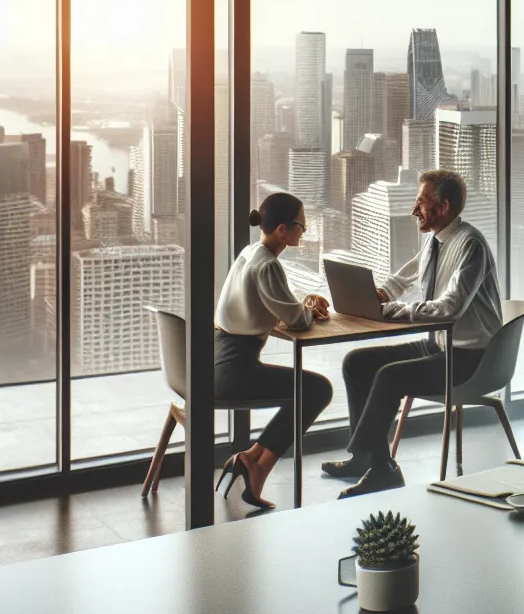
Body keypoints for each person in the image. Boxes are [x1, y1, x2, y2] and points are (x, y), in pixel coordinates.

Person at [322, 169, 503, 496]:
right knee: (356, 362)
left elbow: (451, 307)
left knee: (389, 377)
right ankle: (369, 458)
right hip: (439, 346)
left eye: (421, 203)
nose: (413, 210)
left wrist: (395, 311)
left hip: (470, 358)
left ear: (443, 207)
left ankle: (381, 469)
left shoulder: (470, 245)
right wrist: (378, 296)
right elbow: (403, 278)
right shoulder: (435, 241)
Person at [212, 192, 335, 510]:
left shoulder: (249, 253)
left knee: (306, 390)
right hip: (234, 372)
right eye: (301, 226)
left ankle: (253, 459)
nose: (304, 231)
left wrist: (298, 305)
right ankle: (257, 464)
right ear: (283, 229)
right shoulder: (268, 265)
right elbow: (296, 321)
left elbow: (272, 304)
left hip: (216, 363)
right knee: (318, 389)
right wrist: (309, 308)